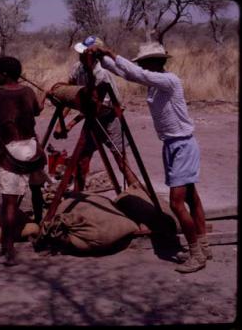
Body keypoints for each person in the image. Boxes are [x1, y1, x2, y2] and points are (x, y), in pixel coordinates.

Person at [90, 42, 211, 273]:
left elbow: (136, 73)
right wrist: (100, 60)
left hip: (183, 145)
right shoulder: (153, 84)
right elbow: (127, 73)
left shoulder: (169, 81)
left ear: (157, 62)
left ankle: (197, 253)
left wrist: (110, 53)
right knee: (191, 197)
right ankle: (203, 245)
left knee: (177, 203)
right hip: (172, 145)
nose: (143, 67)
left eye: (146, 63)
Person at [52, 35, 139, 192]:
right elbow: (70, 94)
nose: (80, 55)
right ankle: (79, 195)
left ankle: (138, 193)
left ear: (94, 55)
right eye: (81, 52)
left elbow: (98, 108)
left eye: (85, 53)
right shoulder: (77, 68)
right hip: (92, 119)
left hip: (110, 118)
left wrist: (71, 124)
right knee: (82, 160)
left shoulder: (102, 75)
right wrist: (60, 123)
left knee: (122, 162)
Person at [0, 56, 46, 266]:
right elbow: (37, 110)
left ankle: (8, 251)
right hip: (32, 150)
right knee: (37, 189)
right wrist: (44, 97)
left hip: (11, 153)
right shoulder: (28, 92)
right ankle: (42, 226)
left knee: (9, 204)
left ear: (4, 74)